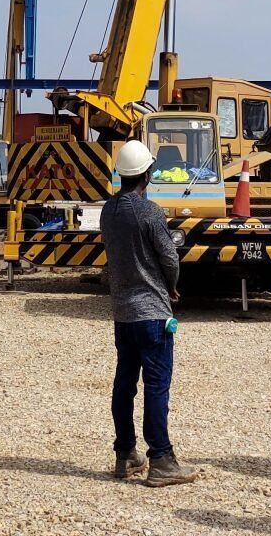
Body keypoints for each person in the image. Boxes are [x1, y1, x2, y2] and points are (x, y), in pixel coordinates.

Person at [99, 138, 199, 487]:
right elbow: (169, 258)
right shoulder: (150, 212)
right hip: (152, 313)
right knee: (156, 386)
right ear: (147, 174)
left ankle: (125, 453)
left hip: (123, 313)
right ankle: (161, 460)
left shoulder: (108, 212)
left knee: (124, 384)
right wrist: (172, 286)